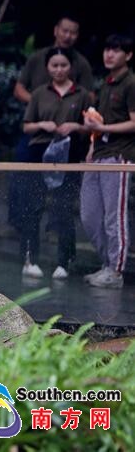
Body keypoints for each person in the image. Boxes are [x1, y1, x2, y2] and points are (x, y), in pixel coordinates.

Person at [18, 47, 89, 279]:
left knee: (63, 208)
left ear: (71, 67)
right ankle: (30, 259)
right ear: (47, 67)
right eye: (54, 66)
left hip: (69, 153)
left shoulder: (82, 95)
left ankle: (64, 262)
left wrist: (77, 126)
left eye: (63, 65)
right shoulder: (39, 93)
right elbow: (26, 126)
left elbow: (92, 126)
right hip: (40, 151)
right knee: (33, 206)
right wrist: (42, 125)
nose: (59, 70)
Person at [80, 34, 135, 288]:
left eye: (116, 50)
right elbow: (100, 123)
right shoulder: (106, 84)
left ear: (128, 55)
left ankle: (116, 270)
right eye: (107, 49)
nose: (109, 54)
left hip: (120, 155)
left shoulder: (131, 83)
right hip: (99, 154)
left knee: (114, 217)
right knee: (89, 215)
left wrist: (105, 127)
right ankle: (106, 264)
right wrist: (93, 141)